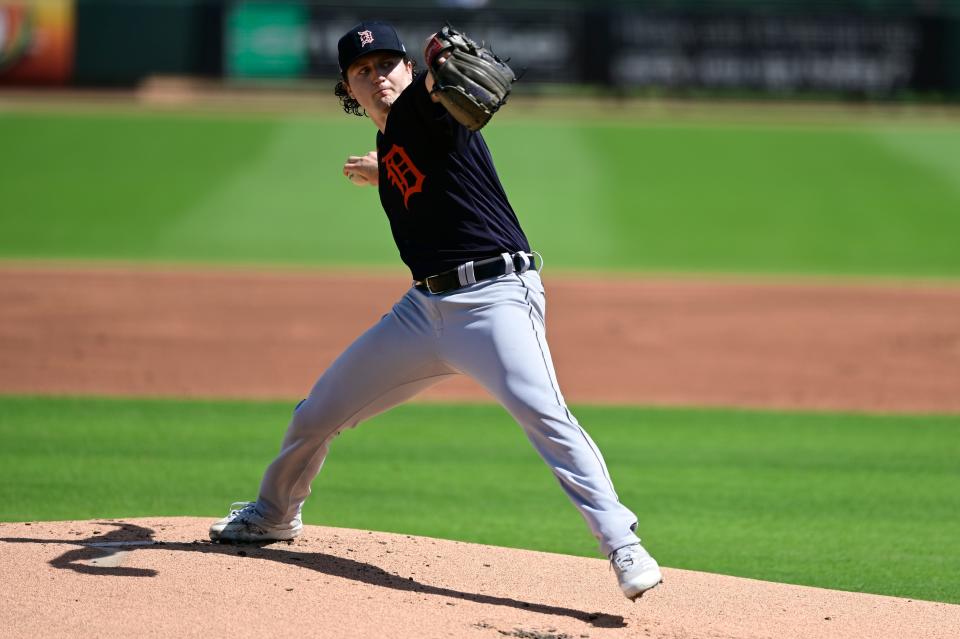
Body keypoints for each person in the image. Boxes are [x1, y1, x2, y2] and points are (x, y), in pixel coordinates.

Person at [210, 20, 662, 601]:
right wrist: (384, 173)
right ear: (349, 90)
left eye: (388, 64)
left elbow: (435, 106)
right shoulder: (391, 141)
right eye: (362, 71)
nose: (378, 77)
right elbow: (418, 169)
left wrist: (439, 62)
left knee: (546, 417)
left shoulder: (426, 109)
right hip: (422, 313)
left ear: (410, 69)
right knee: (316, 411)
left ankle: (623, 543)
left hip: (496, 301)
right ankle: (275, 515)